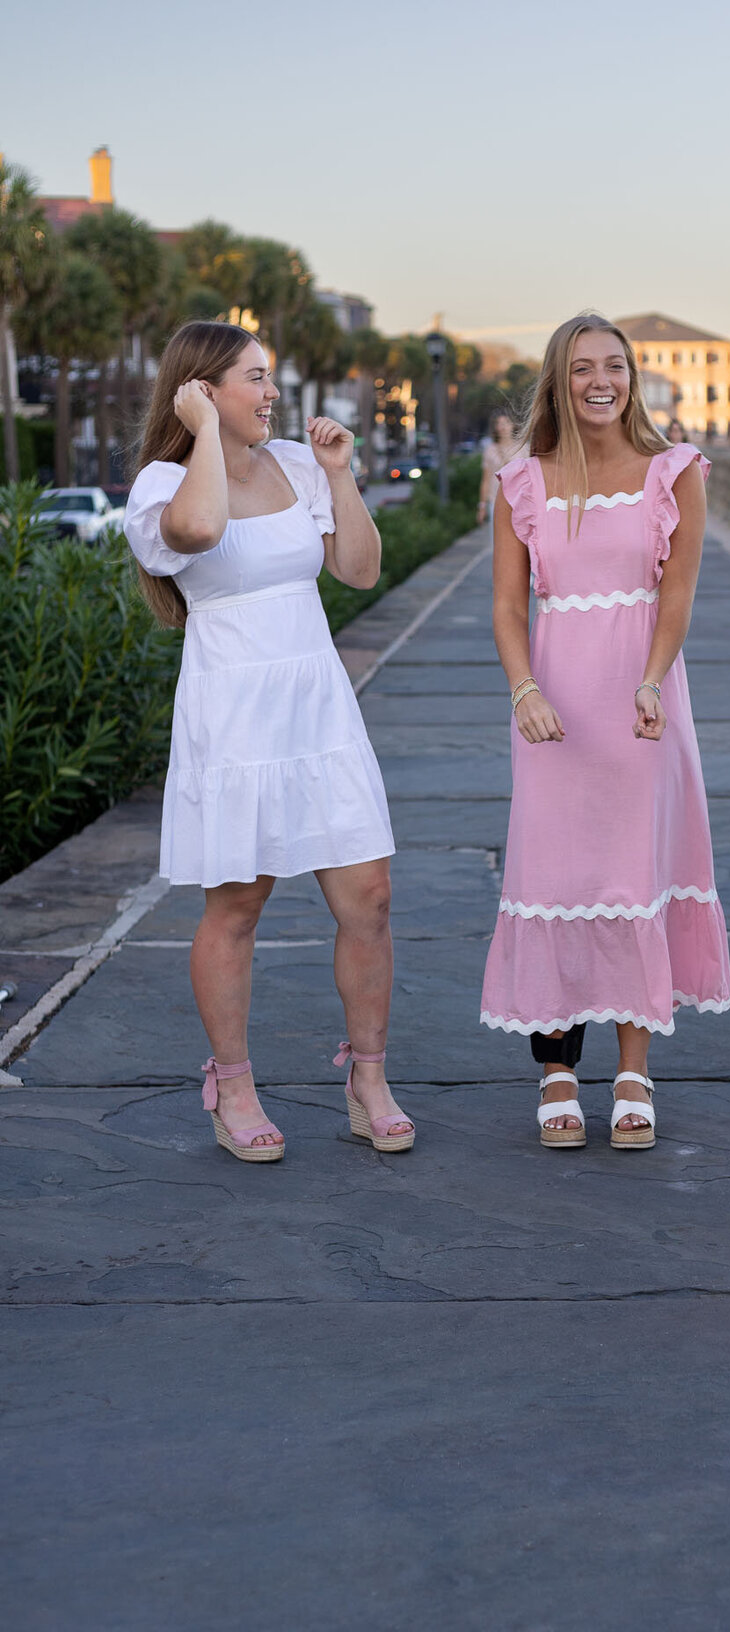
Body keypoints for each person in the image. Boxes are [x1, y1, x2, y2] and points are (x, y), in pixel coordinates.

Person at [124, 320, 414, 1163]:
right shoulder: (162, 484)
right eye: (253, 379)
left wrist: (339, 472)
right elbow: (200, 530)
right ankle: (235, 1085)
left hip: (317, 706)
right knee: (238, 909)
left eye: (270, 379)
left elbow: (359, 569)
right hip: (237, 714)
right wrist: (207, 433)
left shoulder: (297, 462)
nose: (272, 394)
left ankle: (368, 1079)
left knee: (370, 899)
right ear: (201, 390)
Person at [481, 312, 730, 1148]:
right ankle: (555, 1070)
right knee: (552, 875)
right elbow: (509, 607)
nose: (601, 380)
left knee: (632, 874)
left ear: (633, 377)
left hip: (641, 702)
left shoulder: (675, 472)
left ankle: (634, 1068)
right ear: (559, 378)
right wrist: (523, 689)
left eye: (615, 366)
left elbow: (679, 596)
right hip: (553, 704)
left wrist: (653, 679)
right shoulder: (523, 481)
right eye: (584, 366)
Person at [477, 410, 520, 525]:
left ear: (513, 425)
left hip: (519, 501)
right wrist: (482, 506)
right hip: (496, 500)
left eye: (506, 422)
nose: (503, 427)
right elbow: (486, 480)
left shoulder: (524, 448)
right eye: (499, 423)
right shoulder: (490, 450)